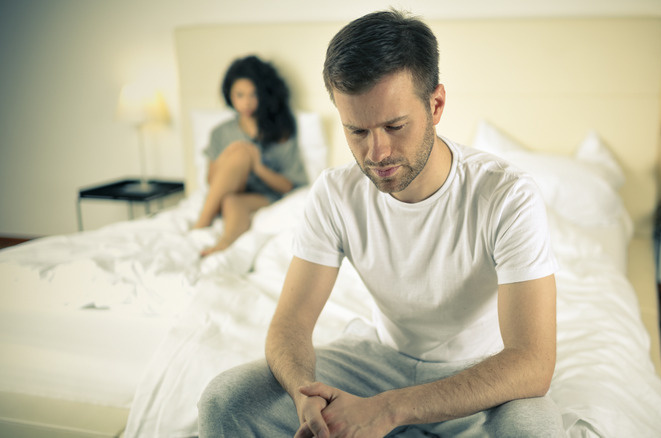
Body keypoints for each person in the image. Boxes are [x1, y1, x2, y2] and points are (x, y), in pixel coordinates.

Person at [198, 9, 565, 437]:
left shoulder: (506, 195)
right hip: (378, 363)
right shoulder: (335, 194)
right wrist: (305, 395)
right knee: (225, 402)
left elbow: (532, 362)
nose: (377, 152)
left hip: (479, 378)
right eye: (357, 131)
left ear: (436, 104)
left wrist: (389, 410)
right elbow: (291, 324)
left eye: (394, 126)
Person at [193, 55, 308, 257]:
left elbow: (288, 186)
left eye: (253, 95)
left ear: (264, 95)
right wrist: (229, 158)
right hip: (227, 191)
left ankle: (219, 239)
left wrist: (257, 167)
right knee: (239, 157)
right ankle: (208, 229)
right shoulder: (220, 132)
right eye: (240, 95)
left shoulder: (282, 129)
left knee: (232, 199)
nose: (246, 102)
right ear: (230, 96)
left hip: (264, 196)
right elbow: (212, 182)